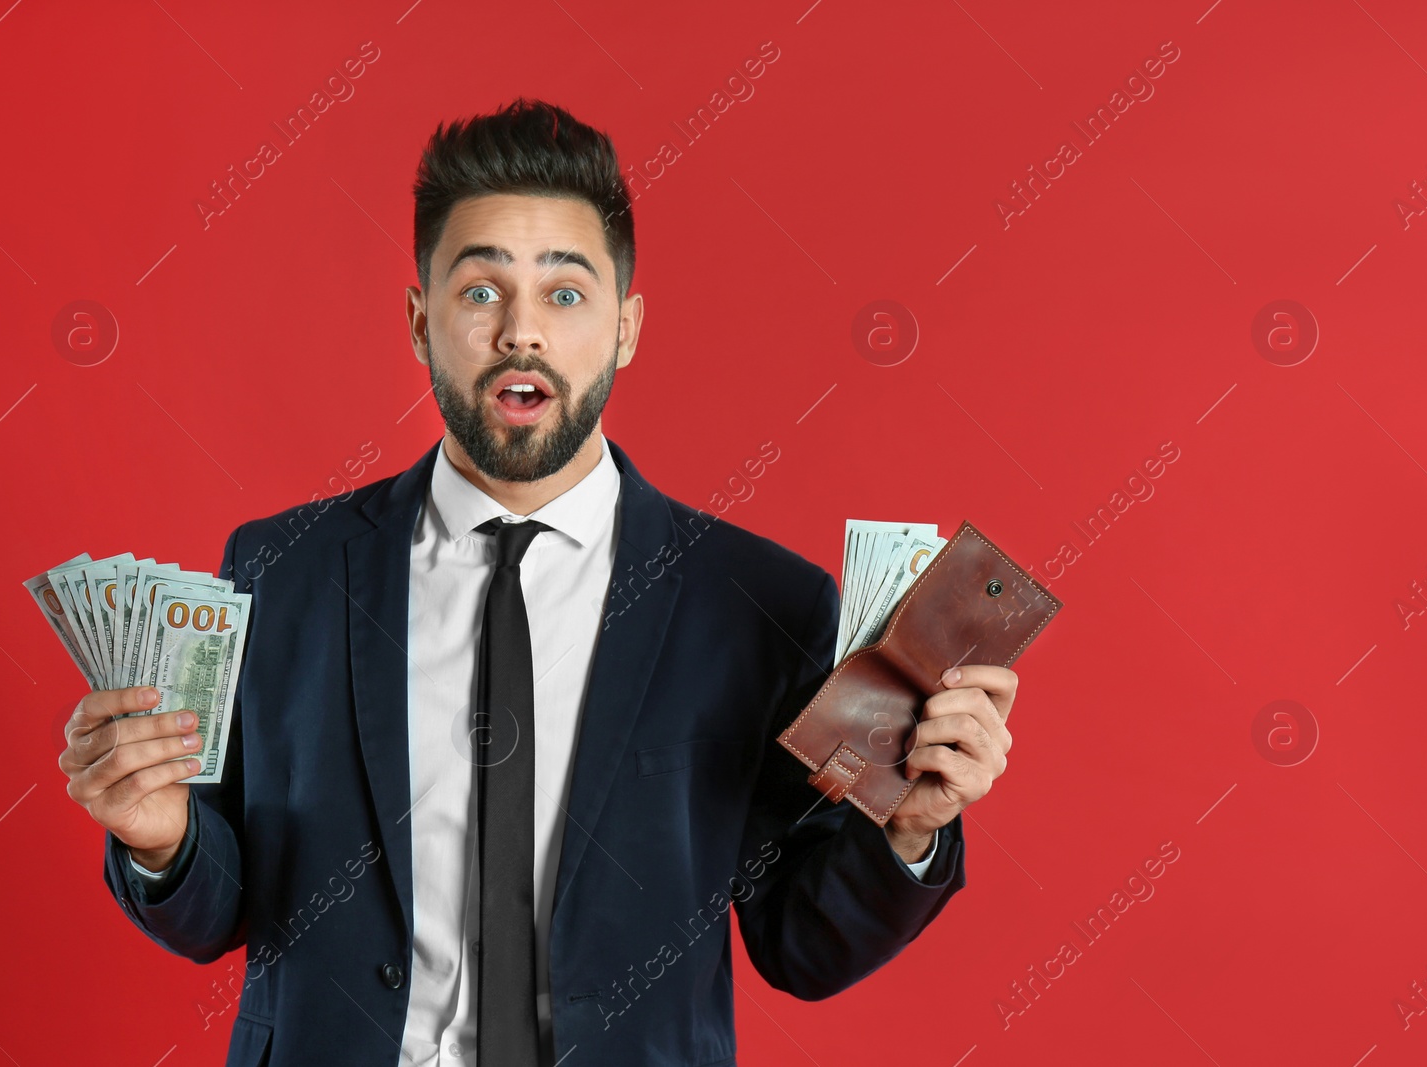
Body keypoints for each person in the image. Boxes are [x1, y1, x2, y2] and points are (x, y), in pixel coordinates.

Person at [57, 97, 1017, 1067]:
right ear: (420, 320)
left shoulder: (759, 603)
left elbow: (803, 941)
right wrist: (160, 839)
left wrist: (913, 826)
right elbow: (222, 905)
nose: (521, 331)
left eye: (565, 293)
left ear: (625, 326)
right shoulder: (283, 569)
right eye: (479, 291)